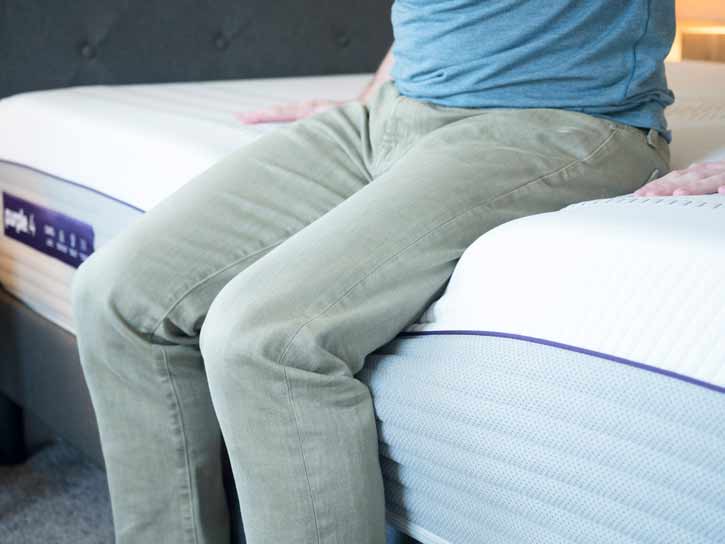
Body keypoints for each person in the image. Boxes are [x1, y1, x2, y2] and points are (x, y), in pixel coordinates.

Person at [70, 2, 714, 543]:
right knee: (117, 296)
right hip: (392, 111)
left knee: (266, 338)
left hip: (558, 125)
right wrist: (375, 93)